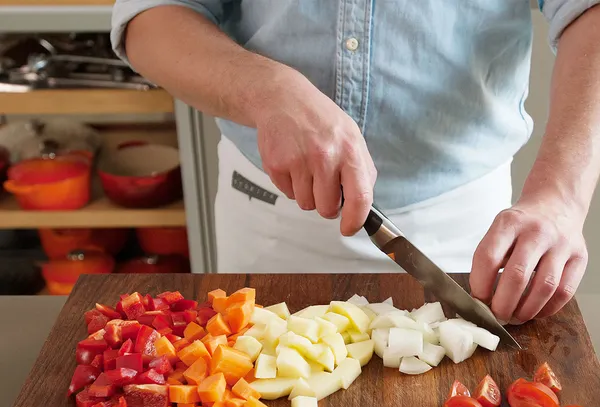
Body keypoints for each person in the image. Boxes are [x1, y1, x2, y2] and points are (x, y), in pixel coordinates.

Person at [111, 0, 600, 324]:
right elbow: (151, 17)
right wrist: (266, 90)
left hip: (468, 226)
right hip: (270, 215)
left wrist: (560, 196)